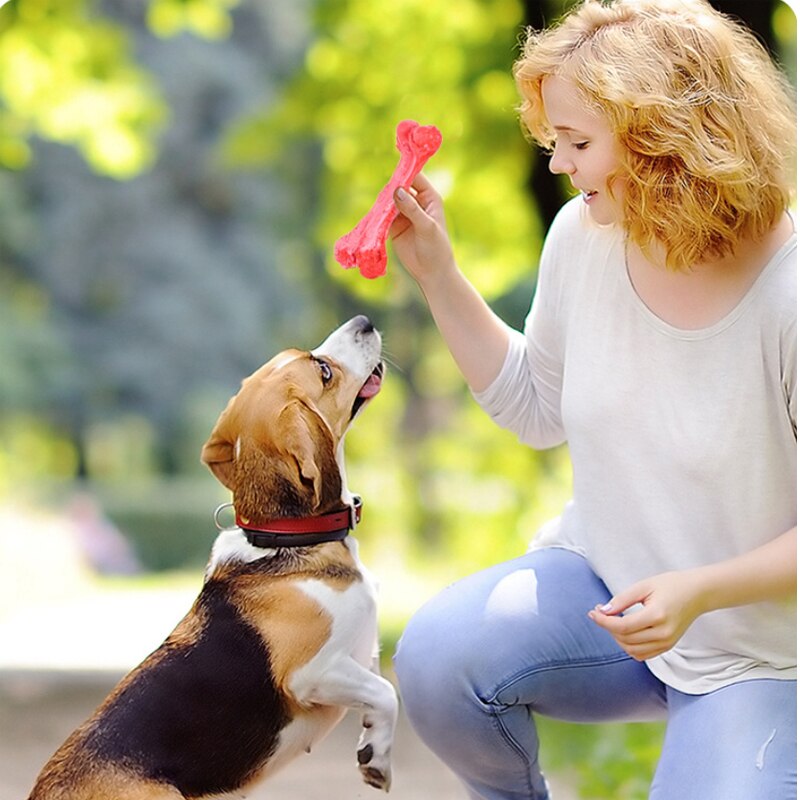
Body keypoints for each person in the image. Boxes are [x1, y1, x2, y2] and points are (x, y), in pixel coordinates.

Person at [389, 1, 797, 798]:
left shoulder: (790, 291)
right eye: (553, 142)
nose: (558, 167)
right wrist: (438, 273)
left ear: (664, 145)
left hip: (766, 647)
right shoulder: (586, 235)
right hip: (610, 595)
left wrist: (700, 590)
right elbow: (535, 406)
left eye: (577, 143)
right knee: (440, 658)